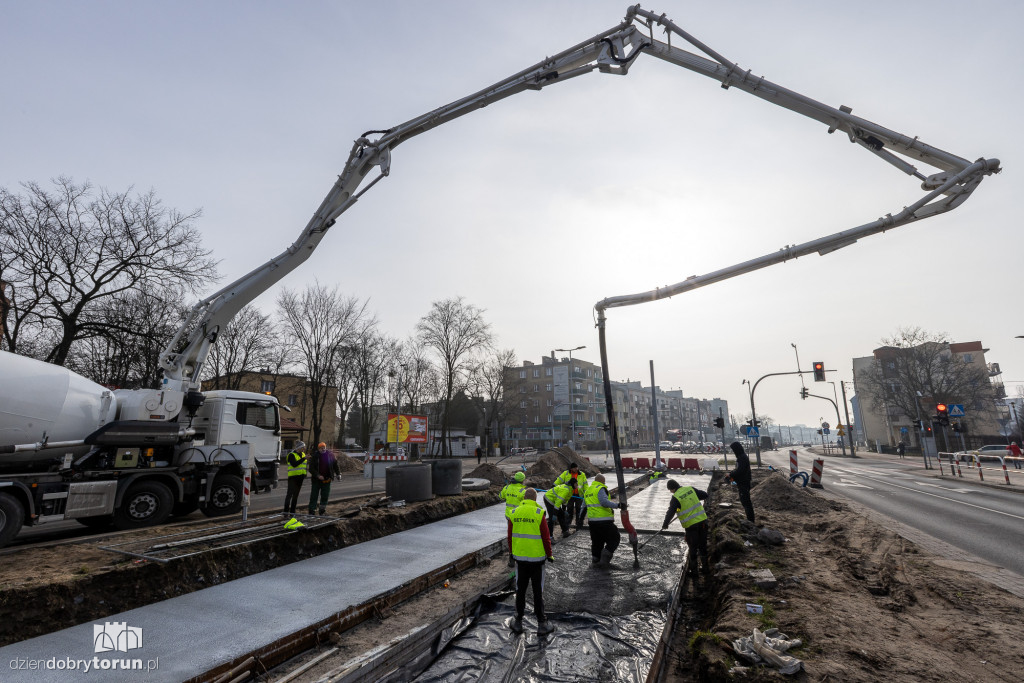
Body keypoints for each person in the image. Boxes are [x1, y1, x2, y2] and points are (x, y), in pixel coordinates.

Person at [507, 488, 554, 635]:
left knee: (520, 589)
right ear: (534, 499)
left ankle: (518, 622)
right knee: (537, 590)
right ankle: (541, 623)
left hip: (520, 560)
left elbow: (509, 537)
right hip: (537, 560)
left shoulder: (514, 513)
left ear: (524, 498)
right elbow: (546, 538)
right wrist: (549, 554)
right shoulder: (539, 513)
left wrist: (512, 554)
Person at [662, 479, 709, 579]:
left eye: (670, 490)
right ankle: (706, 569)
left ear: (672, 489)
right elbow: (705, 495)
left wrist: (665, 524)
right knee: (703, 546)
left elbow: (670, 512)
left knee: (693, 548)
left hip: (691, 527)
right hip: (703, 522)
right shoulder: (690, 489)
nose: (670, 492)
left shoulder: (675, 498)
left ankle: (695, 573)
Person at [584, 473, 624, 566]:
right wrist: (617, 505)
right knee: (615, 538)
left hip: (592, 522)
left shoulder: (588, 490)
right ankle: (604, 561)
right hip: (604, 521)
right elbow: (604, 502)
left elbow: (584, 506)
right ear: (602, 481)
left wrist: (580, 520)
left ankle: (595, 560)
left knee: (597, 541)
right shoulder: (600, 488)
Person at [725, 441, 755, 524]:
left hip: (743, 482)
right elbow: (738, 469)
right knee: (745, 501)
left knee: (746, 501)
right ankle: (750, 519)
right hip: (742, 482)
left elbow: (740, 471)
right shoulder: (741, 457)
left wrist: (730, 474)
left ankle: (750, 521)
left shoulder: (742, 458)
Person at [307, 442, 341, 515]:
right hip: (316, 480)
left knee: (325, 495)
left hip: (327, 479)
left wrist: (338, 474)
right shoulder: (315, 456)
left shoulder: (330, 455)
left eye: (324, 447)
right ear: (318, 449)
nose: (323, 449)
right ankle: (312, 510)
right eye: (321, 448)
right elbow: (311, 469)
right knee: (314, 495)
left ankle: (322, 510)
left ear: (326, 447)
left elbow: (335, 465)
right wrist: (318, 475)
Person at [553, 463, 588, 529]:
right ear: (571, 469)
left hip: (579, 495)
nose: (576, 469)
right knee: (569, 510)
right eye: (575, 468)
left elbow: (585, 484)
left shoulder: (582, 474)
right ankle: (567, 525)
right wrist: (554, 485)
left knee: (579, 510)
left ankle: (578, 525)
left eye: (577, 467)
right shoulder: (566, 473)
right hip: (569, 495)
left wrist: (586, 492)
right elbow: (559, 480)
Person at [283, 441, 308, 515]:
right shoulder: (291, 455)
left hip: (300, 477)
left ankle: (292, 512)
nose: (304, 448)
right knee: (289, 495)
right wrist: (304, 458)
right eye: (303, 447)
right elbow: (294, 464)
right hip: (293, 478)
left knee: (296, 496)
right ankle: (285, 512)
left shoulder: (303, 454)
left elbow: (303, 465)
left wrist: (305, 473)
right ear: (299, 447)